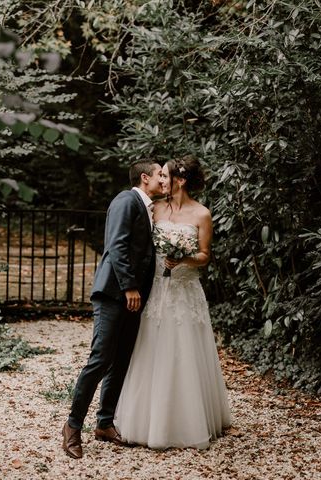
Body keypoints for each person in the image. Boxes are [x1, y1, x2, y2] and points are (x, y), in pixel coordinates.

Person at [114, 154, 232, 449]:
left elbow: (205, 256)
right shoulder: (154, 209)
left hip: (185, 290)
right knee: (152, 350)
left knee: (185, 352)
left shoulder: (201, 214)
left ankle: (188, 422)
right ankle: (147, 420)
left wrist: (184, 258)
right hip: (156, 289)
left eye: (165, 176)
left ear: (180, 180)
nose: (161, 180)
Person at [62, 159, 165, 459]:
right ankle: (72, 426)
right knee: (100, 359)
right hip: (113, 293)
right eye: (160, 174)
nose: (164, 178)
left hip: (134, 298)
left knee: (121, 361)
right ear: (145, 178)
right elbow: (117, 245)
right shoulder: (125, 199)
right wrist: (129, 286)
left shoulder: (148, 208)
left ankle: (104, 423)